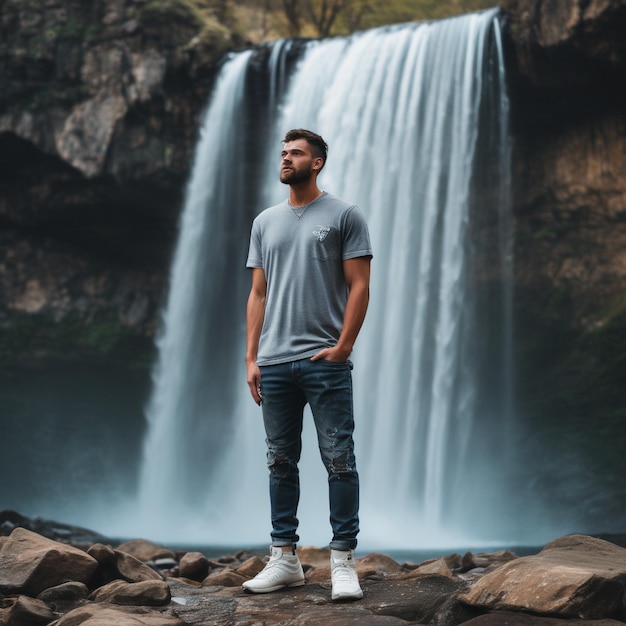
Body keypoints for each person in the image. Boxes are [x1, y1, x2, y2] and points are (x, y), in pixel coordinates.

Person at [243, 129, 372, 601]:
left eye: (295, 153)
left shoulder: (344, 216)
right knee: (280, 461)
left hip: (324, 359)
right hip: (274, 362)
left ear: (315, 163)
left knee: (339, 460)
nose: (285, 159)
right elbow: (257, 293)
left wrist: (342, 347)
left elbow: (359, 286)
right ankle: (284, 559)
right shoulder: (265, 221)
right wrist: (251, 358)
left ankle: (342, 561)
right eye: (283, 152)